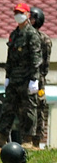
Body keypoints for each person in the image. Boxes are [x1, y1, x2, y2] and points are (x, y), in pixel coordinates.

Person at [0, 2, 43, 147]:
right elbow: (10, 58)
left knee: (28, 110)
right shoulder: (14, 34)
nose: (17, 16)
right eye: (15, 13)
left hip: (27, 80)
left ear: (28, 15)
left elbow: (36, 58)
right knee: (8, 108)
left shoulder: (32, 35)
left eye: (20, 13)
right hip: (14, 79)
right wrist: (7, 77)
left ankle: (27, 140)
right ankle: (1, 138)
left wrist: (34, 79)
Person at [34, 8, 51, 148]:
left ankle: (37, 139)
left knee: (39, 109)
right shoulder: (21, 36)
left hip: (37, 81)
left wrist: (39, 79)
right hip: (24, 79)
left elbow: (44, 65)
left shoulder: (44, 40)